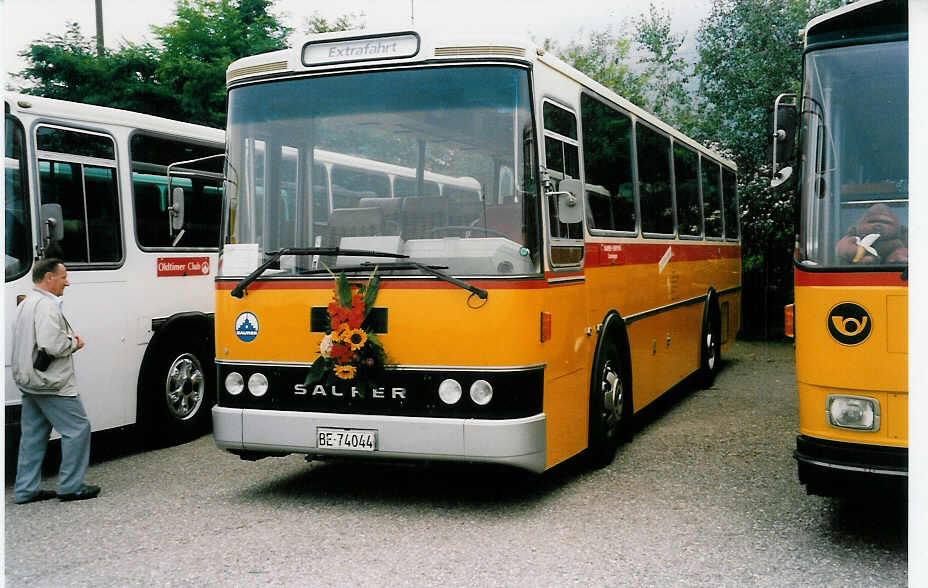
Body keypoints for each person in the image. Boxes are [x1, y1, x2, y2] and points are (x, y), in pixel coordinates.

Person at [11, 258, 100, 503]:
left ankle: (25, 490)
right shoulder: (47, 306)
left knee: (32, 436)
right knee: (78, 429)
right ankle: (71, 486)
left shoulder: (25, 303)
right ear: (49, 278)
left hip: (29, 381)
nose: (67, 282)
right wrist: (74, 343)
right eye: (63, 277)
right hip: (52, 383)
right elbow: (51, 344)